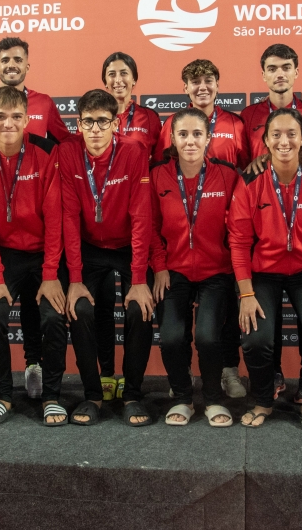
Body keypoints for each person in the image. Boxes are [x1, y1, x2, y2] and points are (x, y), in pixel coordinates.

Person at [0, 36, 71, 403]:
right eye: (5, 58)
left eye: (18, 59)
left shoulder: (45, 131)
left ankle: (41, 376)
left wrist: (52, 272)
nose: (8, 123)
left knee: (50, 316)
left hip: (41, 250)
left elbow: (67, 150)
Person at [229, 108, 302, 430]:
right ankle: (263, 400)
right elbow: (238, 241)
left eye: (292, 133)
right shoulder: (250, 181)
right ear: (265, 141)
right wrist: (247, 294)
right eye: (276, 134)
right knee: (254, 339)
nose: (284, 141)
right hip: (263, 272)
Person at [238, 45, 302, 401]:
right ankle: (272, 375)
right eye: (272, 68)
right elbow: (246, 170)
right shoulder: (247, 116)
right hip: (264, 230)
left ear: (296, 72)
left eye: (286, 67)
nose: (280, 74)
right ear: (263, 75)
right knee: (266, 315)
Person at [154, 58, 249, 398]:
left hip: (218, 250)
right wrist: (159, 264)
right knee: (175, 333)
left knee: (220, 327)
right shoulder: (167, 143)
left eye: (209, 79)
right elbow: (155, 213)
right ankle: (183, 382)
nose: (202, 86)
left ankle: (226, 373)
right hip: (178, 257)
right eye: (195, 82)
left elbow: (249, 177)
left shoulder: (236, 125)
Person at [60, 89, 155, 427]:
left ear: (115, 123)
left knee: (139, 309)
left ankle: (132, 394)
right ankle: (93, 394)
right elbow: (69, 218)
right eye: (89, 122)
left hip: (129, 245)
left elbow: (142, 216)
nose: (96, 129)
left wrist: (140, 280)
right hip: (89, 247)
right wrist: (73, 280)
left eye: (103, 121)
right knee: (81, 308)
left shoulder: (133, 152)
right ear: (79, 124)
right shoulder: (68, 152)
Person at [151, 108, 239, 427]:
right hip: (173, 270)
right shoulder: (159, 175)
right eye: (183, 134)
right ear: (173, 139)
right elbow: (150, 226)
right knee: (172, 337)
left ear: (208, 138)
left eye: (197, 134)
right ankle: (183, 397)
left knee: (207, 338)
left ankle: (213, 399)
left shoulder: (228, 175)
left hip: (216, 271)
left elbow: (240, 230)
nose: (190, 141)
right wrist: (159, 267)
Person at [95, 52, 162, 401]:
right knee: (102, 305)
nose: (118, 79)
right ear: (104, 81)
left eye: (124, 73)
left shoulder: (150, 119)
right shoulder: (97, 117)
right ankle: (106, 374)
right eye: (111, 74)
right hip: (100, 225)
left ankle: (132, 384)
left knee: (138, 307)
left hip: (139, 225)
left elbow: (165, 167)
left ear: (134, 79)